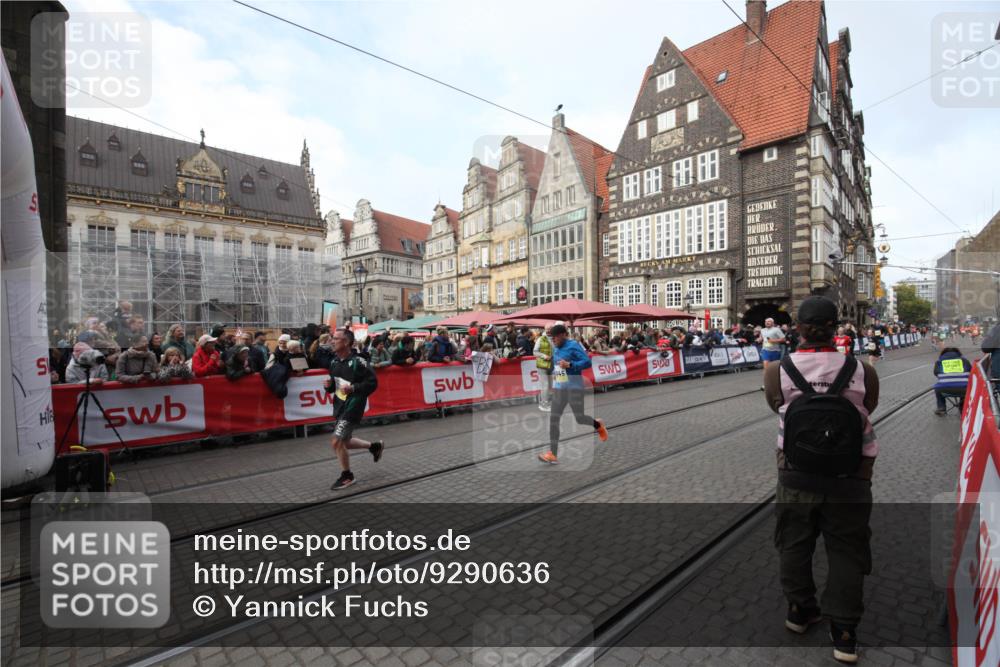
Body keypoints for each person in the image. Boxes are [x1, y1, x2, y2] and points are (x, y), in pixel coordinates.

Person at [763, 296, 879, 664]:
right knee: (846, 551)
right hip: (850, 475)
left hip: (797, 474)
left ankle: (800, 611)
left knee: (794, 544)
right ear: (838, 327)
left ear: (796, 328)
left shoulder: (777, 371)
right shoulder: (862, 370)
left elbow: (775, 405)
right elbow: (868, 409)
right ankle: (844, 632)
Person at [538, 324, 608, 464]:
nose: (554, 340)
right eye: (552, 338)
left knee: (580, 418)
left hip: (574, 388)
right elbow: (557, 366)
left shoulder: (573, 345)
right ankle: (553, 454)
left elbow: (587, 362)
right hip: (560, 388)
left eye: (556, 337)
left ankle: (597, 425)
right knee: (554, 420)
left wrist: (570, 365)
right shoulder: (555, 347)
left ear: (564, 334)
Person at [324, 328, 383, 490]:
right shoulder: (334, 362)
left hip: (354, 405)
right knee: (345, 441)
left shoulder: (359, 361)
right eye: (332, 338)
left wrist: (354, 388)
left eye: (336, 338)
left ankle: (347, 476)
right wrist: (328, 387)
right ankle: (374, 447)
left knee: (336, 441)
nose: (332, 341)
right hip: (339, 405)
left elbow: (372, 383)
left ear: (347, 342)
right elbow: (335, 386)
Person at [932, 347, 971, 416]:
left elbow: (936, 373)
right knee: (965, 384)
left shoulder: (939, 362)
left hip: (944, 389)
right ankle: (962, 408)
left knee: (937, 388)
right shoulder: (964, 361)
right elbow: (971, 372)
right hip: (964, 389)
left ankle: (941, 408)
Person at [534, 324, 555, 412]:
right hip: (542, 365)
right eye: (547, 329)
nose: (548, 330)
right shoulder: (540, 339)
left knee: (549, 385)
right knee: (545, 385)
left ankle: (545, 402)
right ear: (545, 329)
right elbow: (535, 352)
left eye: (550, 328)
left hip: (551, 365)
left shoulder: (555, 338)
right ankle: (544, 405)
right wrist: (544, 356)